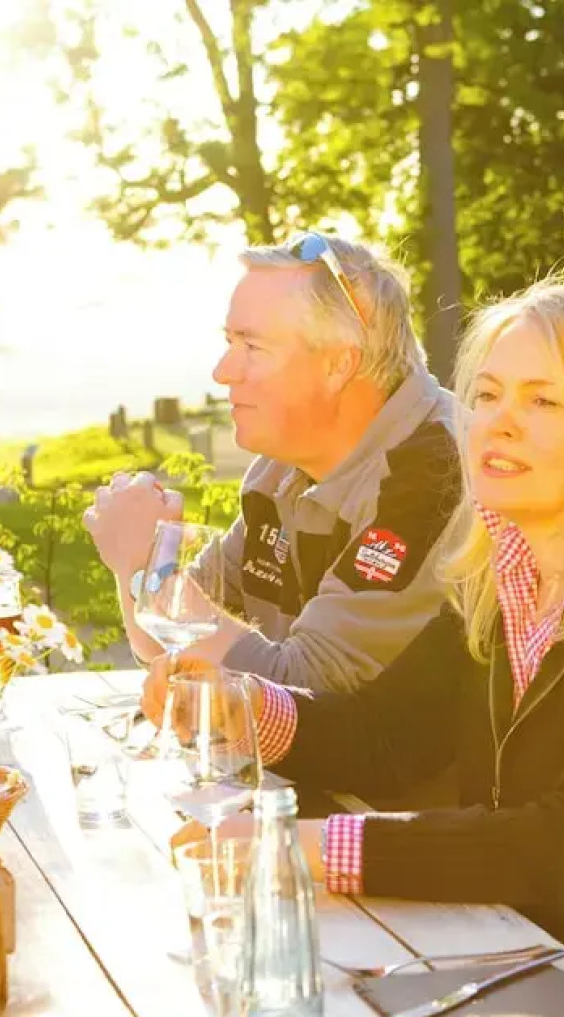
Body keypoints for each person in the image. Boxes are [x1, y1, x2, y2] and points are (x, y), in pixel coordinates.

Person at [151, 275, 564, 1017]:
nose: (499, 422)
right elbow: (385, 738)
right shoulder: (504, 575)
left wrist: (301, 848)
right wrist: (244, 706)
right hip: (526, 962)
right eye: (488, 395)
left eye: (543, 402)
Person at [84, 233, 458, 693]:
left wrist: (149, 563)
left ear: (339, 364)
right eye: (229, 342)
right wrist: (143, 567)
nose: (223, 371)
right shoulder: (283, 467)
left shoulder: (435, 472)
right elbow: (174, 642)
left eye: (252, 347)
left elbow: (306, 691)